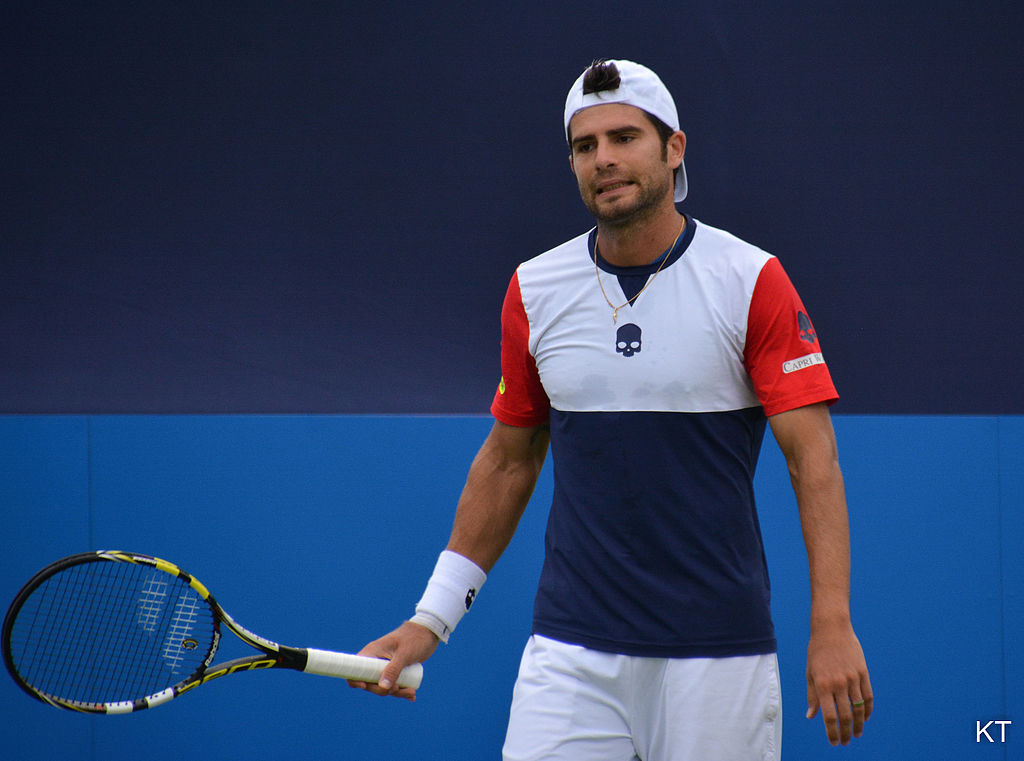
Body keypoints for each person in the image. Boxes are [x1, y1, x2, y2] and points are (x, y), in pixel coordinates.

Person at [348, 59, 872, 760]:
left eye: (625, 137)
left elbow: (815, 461)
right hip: (570, 654)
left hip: (718, 659)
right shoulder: (534, 288)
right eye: (585, 145)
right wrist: (432, 618)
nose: (605, 159)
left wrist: (831, 622)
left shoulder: (751, 279)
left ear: (674, 148)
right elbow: (508, 462)